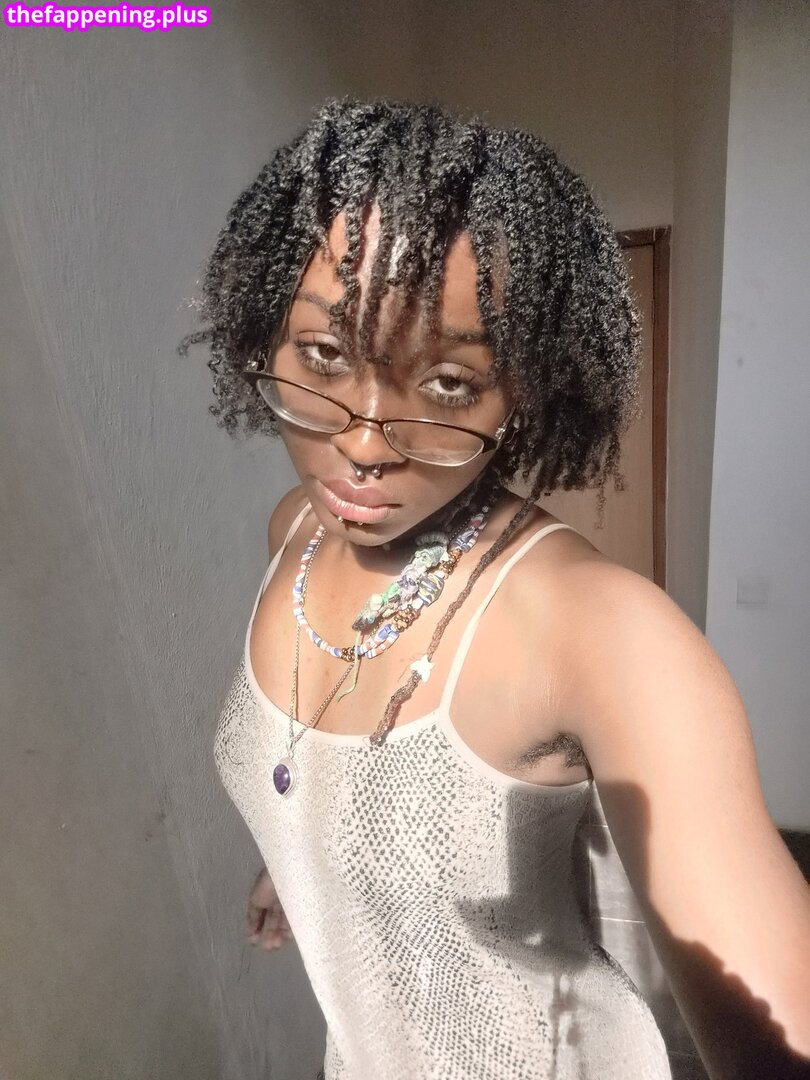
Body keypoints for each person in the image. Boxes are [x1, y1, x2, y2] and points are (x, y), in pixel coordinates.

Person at [178, 96, 810, 1080]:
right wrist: (306, 868)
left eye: (446, 385)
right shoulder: (295, 531)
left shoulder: (608, 633)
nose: (363, 443)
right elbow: (339, 778)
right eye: (325, 357)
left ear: (525, 395)